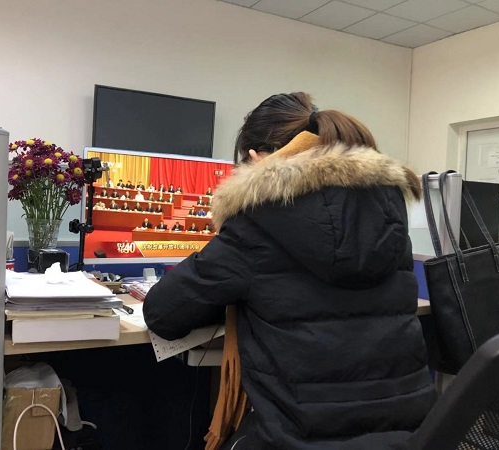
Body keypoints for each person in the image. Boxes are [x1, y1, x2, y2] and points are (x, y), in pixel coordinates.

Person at [143, 91, 435, 449]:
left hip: (296, 439)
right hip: (411, 436)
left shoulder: (258, 219)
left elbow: (162, 314)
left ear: (257, 158)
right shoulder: (388, 214)